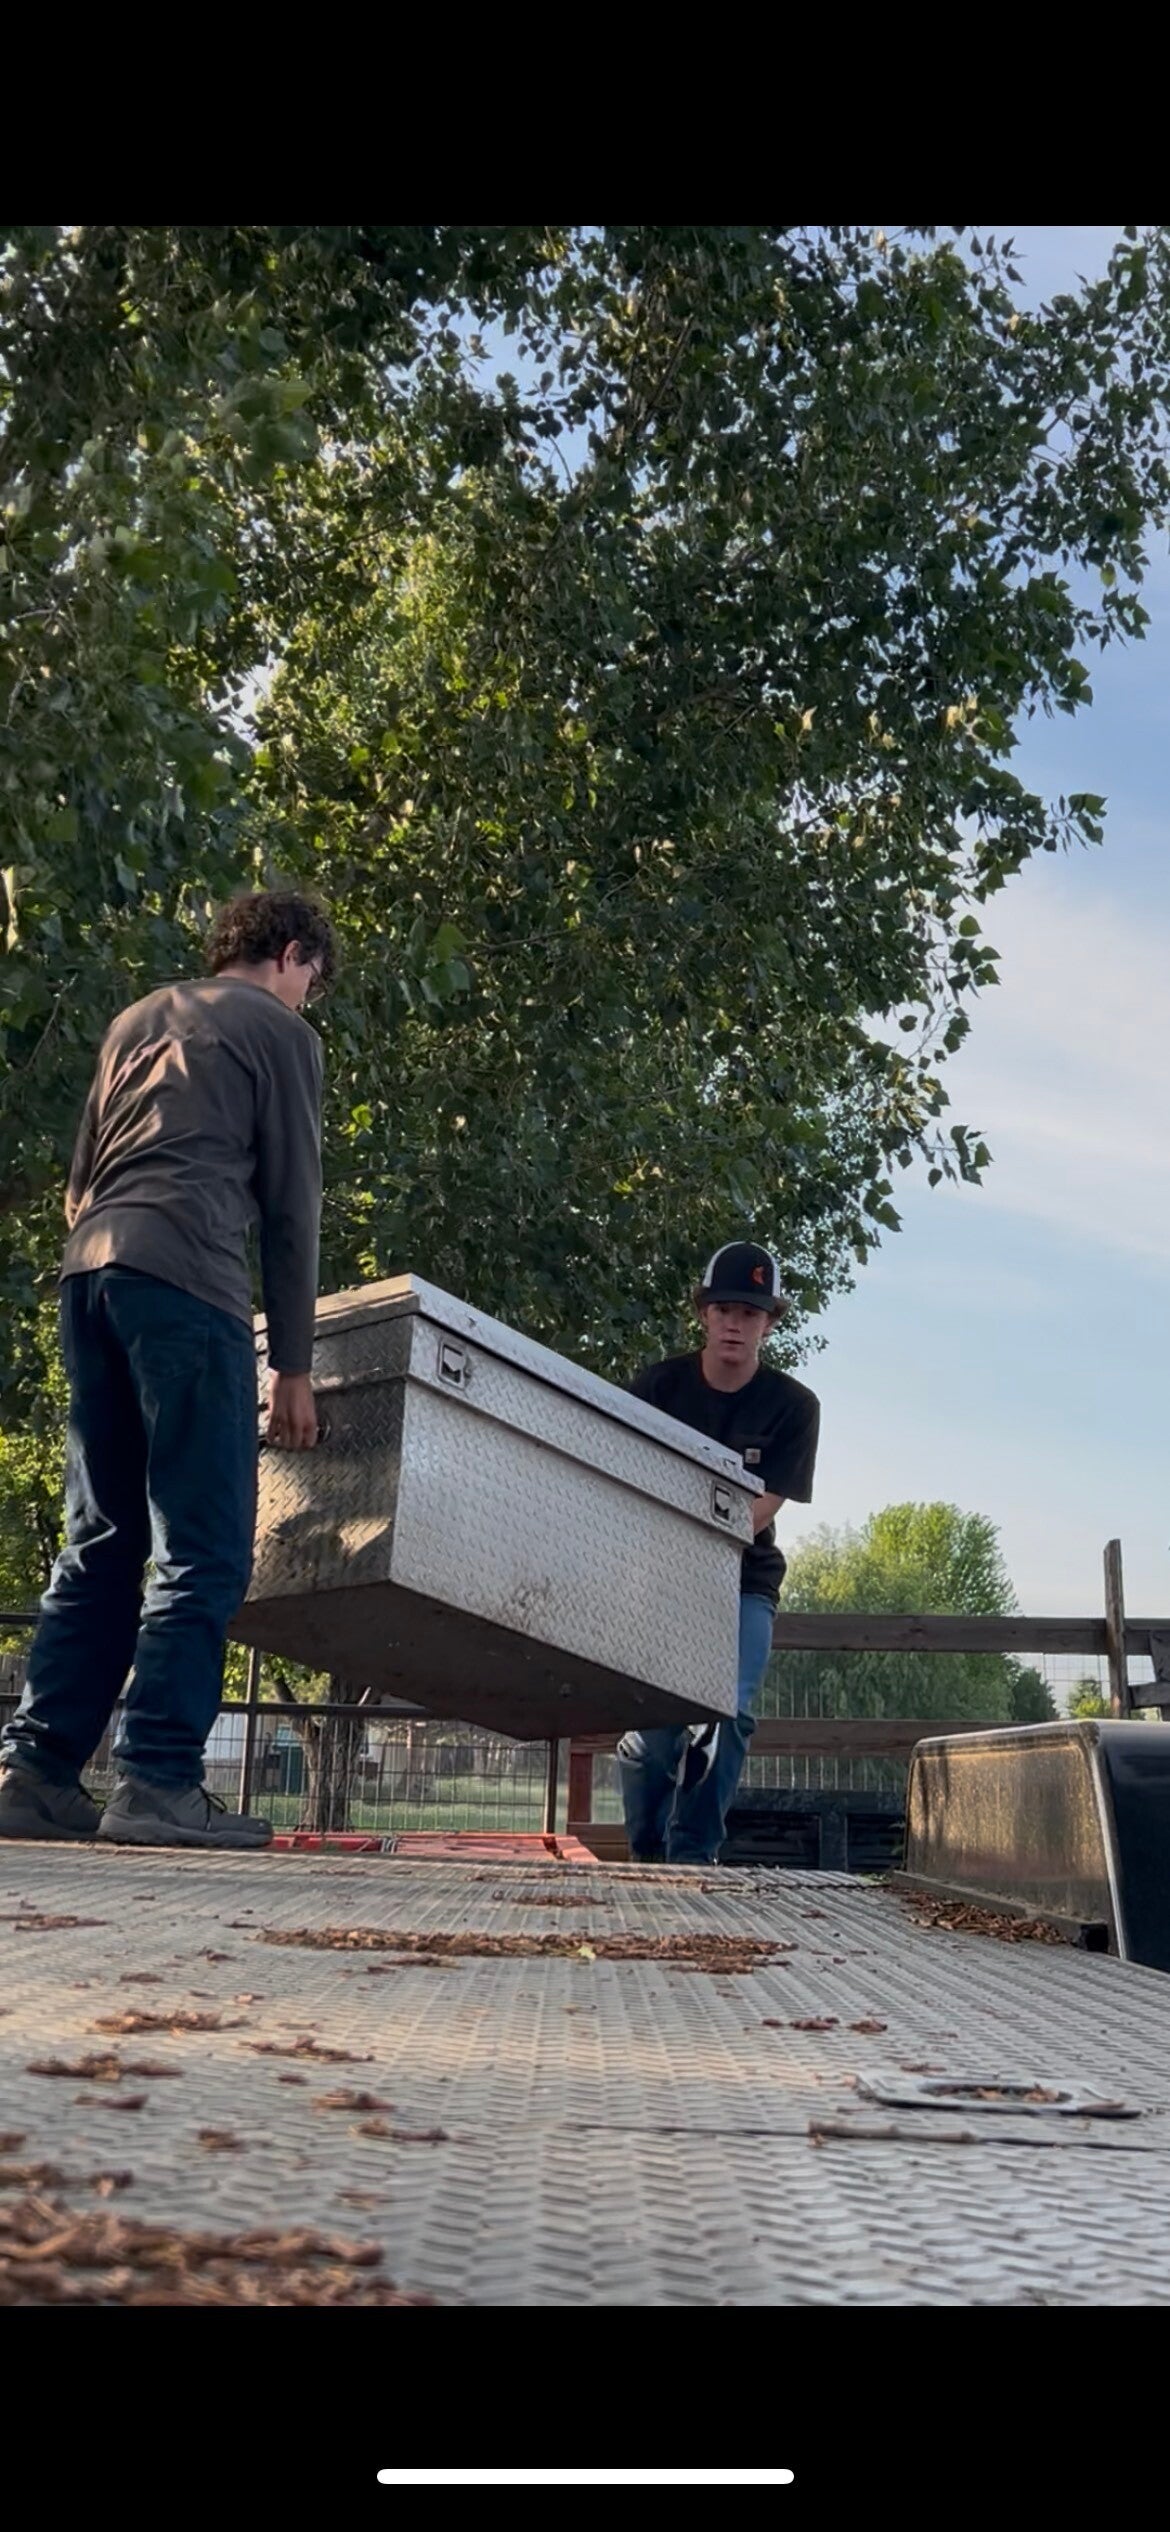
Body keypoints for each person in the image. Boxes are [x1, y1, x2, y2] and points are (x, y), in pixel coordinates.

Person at [0, 890, 333, 1850]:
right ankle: (156, 1781)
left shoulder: (136, 1019)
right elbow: (292, 1206)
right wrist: (294, 1365)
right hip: (189, 1281)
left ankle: (35, 1774)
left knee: (101, 1538)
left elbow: (79, 1182)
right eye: (313, 980)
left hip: (91, 1276)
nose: (308, 998)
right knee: (204, 1545)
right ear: (291, 954)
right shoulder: (279, 1032)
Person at [617, 1241, 820, 1866]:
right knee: (654, 1731)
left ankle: (693, 1856)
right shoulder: (656, 1387)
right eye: (724, 1309)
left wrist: (704, 1542)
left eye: (750, 1313)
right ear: (703, 1313)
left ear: (769, 1323)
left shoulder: (795, 1407)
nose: (735, 1323)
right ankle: (646, 1853)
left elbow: (762, 1509)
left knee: (730, 1709)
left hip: (743, 1580)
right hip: (661, 1575)